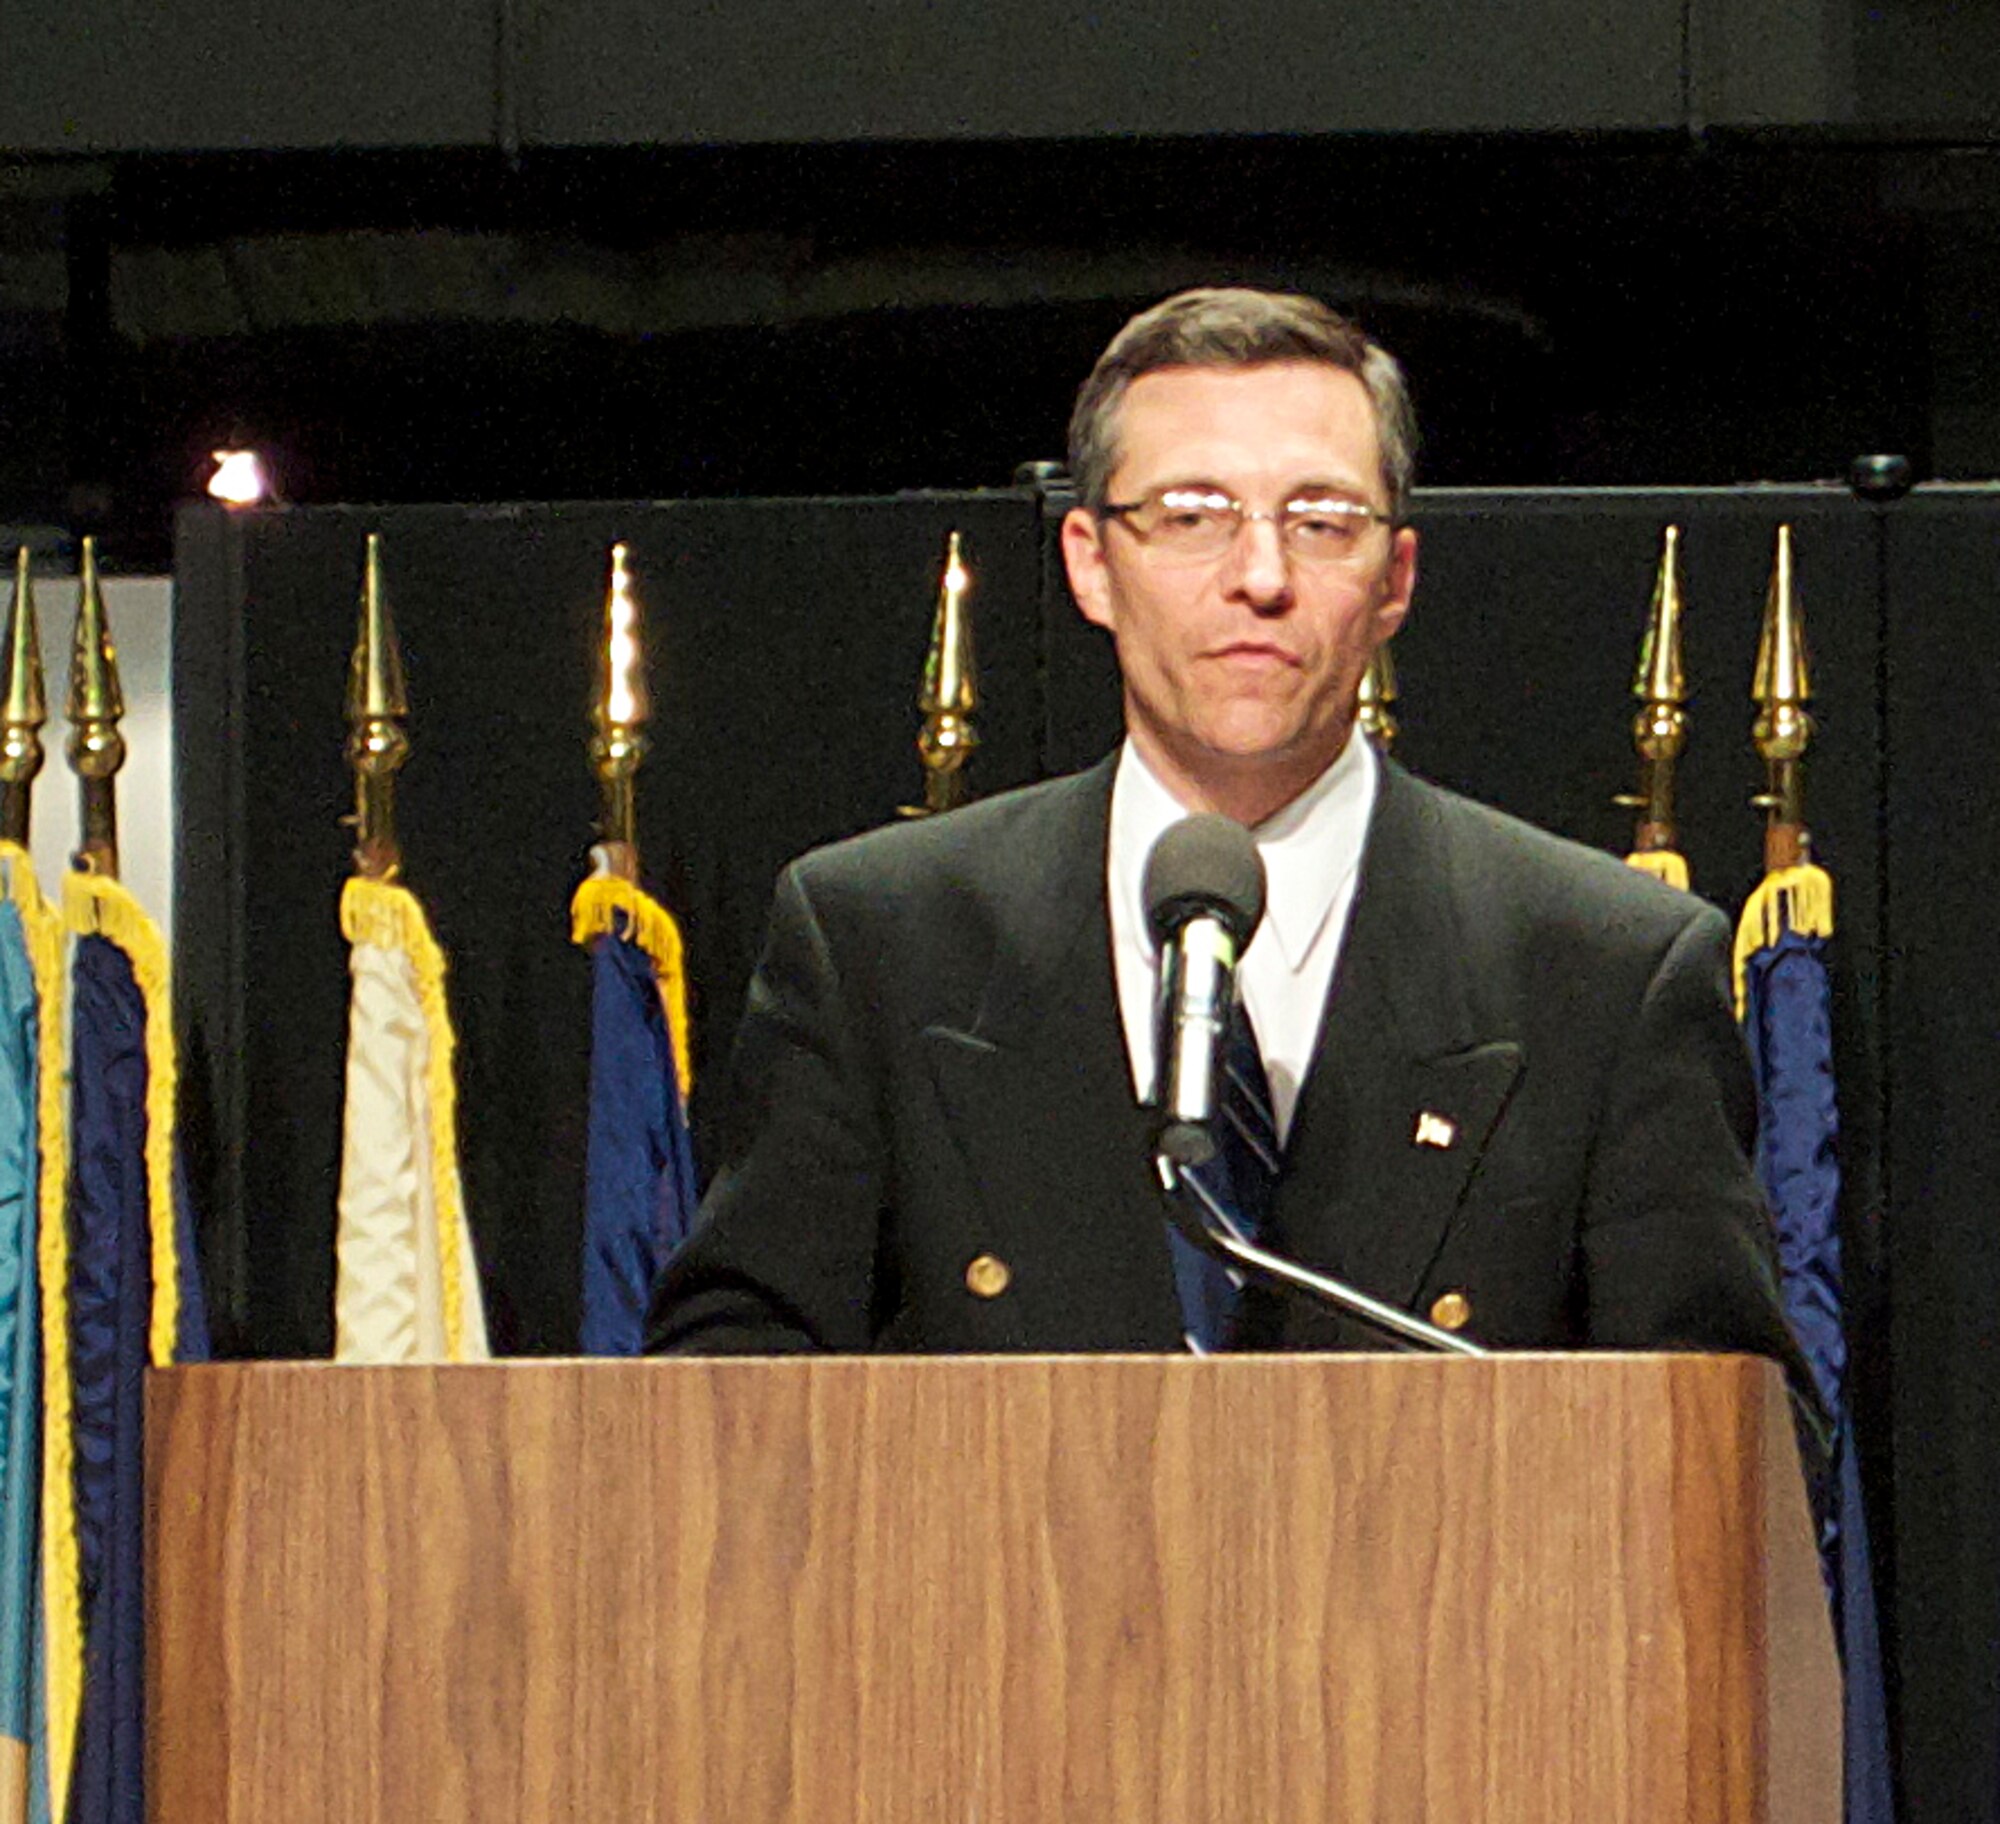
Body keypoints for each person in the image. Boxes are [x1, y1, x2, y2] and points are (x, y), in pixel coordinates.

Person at [645, 287, 1811, 1392]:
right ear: (1090, 565)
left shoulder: (1600, 971)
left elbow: (1728, 1459)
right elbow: (728, 1405)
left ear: (1393, 578)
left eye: (1319, 522)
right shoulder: (880, 944)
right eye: (1190, 517)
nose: (1259, 578)